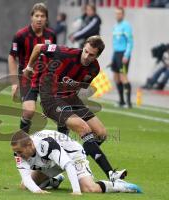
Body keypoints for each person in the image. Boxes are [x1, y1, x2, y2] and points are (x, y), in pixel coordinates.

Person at [23, 36, 127, 182]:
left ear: (97, 56)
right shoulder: (65, 53)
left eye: (91, 55)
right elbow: (38, 47)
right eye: (85, 51)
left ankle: (66, 158)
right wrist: (29, 68)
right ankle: (111, 173)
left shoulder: (94, 69)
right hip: (51, 98)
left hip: (70, 98)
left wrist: (66, 112)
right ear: (83, 47)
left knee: (101, 134)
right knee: (84, 128)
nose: (86, 56)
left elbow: (78, 87)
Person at [11, 130, 142, 194]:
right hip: (52, 161)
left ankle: (119, 185)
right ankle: (54, 180)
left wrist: (76, 191)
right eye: (16, 152)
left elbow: (68, 164)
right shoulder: (20, 152)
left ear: (29, 145)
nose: (18, 155)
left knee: (88, 188)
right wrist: (37, 191)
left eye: (20, 152)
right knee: (25, 185)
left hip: (72, 156)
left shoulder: (46, 144)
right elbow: (26, 177)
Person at [8, 3, 68, 135]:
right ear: (31, 17)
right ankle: (22, 146)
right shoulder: (21, 35)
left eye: (42, 16)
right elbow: (12, 57)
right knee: (29, 111)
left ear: (46, 18)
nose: (39, 19)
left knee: (59, 112)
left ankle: (65, 146)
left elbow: (54, 56)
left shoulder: (51, 34)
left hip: (47, 79)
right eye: (37, 16)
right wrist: (13, 82)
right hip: (27, 79)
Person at [111, 7, 133, 108]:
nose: (117, 15)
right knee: (116, 77)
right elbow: (115, 43)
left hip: (123, 54)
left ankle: (128, 102)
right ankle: (121, 101)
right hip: (116, 54)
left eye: (119, 13)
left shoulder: (126, 26)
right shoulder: (115, 26)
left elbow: (130, 42)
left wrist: (126, 55)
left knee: (123, 77)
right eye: (116, 13)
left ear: (123, 15)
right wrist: (112, 58)